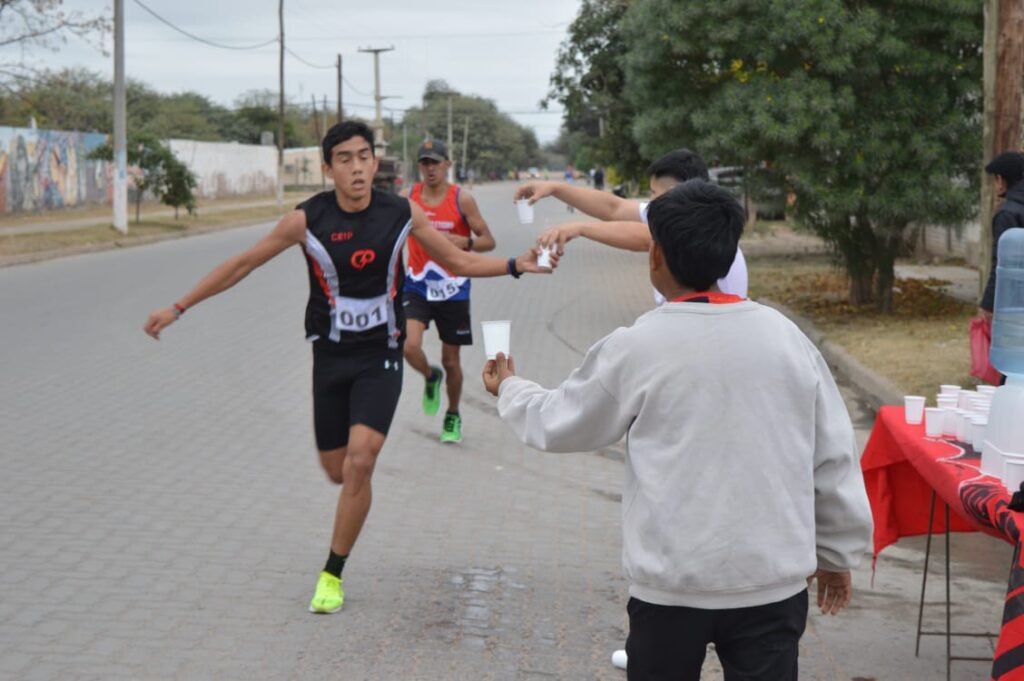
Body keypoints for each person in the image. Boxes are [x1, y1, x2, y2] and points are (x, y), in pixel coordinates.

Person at [143, 121, 553, 616]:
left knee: (362, 459)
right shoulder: (306, 219)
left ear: (375, 163)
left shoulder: (400, 212)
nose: (357, 168)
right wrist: (179, 307)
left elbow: (457, 262)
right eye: (344, 159)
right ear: (327, 168)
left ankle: (331, 573)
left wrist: (515, 265)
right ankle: (362, 479)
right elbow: (243, 264)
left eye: (364, 157)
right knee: (337, 470)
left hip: (381, 354)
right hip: (331, 357)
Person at [483, 180, 873, 681]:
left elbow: (561, 421)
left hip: (670, 589)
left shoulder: (637, 346)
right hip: (770, 585)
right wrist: (836, 555)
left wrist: (510, 388)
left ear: (656, 256)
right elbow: (833, 456)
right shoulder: (787, 339)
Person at [515, 149, 748, 301]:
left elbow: (643, 237)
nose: (651, 202)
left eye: (655, 193)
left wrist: (578, 228)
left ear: (680, 193)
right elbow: (613, 208)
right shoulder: (678, 214)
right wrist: (555, 188)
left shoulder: (689, 232)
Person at [402, 140, 496, 443]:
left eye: (435, 162)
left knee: (451, 361)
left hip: (453, 289)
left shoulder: (462, 200)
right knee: (408, 346)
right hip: (417, 285)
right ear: (419, 167)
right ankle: (431, 377)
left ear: (447, 164)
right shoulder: (408, 198)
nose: (430, 168)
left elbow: (488, 241)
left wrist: (466, 242)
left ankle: (453, 414)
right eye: (424, 163)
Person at [979, 151, 1024, 323]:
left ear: (1000, 179)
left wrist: (988, 303)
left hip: (1016, 303)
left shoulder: (1007, 214)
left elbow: (1002, 263)